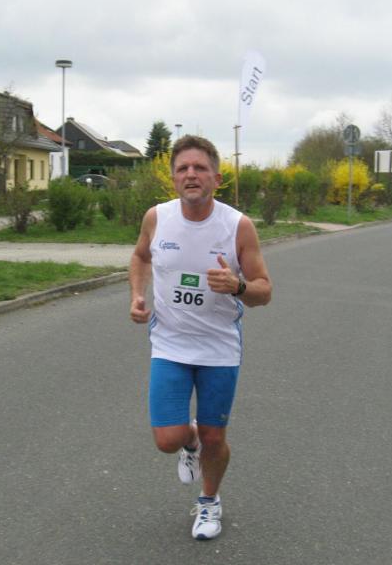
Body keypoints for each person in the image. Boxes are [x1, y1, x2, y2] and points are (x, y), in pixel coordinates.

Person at [129, 135, 272, 540]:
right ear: (173, 178)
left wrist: (238, 286)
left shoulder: (237, 226)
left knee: (215, 436)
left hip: (218, 348)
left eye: (200, 168)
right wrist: (138, 295)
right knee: (168, 439)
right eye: (183, 168)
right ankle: (188, 441)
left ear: (216, 178)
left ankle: (209, 500)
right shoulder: (157, 218)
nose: (191, 174)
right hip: (170, 344)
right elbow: (140, 256)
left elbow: (264, 290)